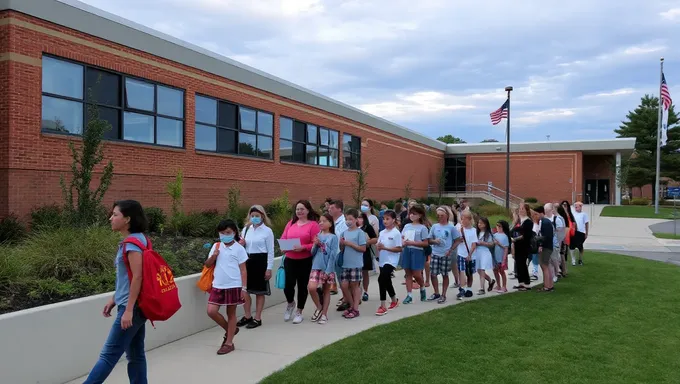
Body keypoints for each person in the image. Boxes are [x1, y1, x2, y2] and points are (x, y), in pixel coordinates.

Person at [84, 200, 149, 382]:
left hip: (131, 308)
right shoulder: (139, 239)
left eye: (115, 214)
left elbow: (138, 277)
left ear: (127, 219)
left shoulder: (132, 244)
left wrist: (128, 310)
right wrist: (114, 298)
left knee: (108, 355)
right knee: (136, 355)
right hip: (134, 304)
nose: (110, 218)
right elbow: (128, 277)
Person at [205, 219, 248, 355]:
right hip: (218, 285)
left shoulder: (239, 249)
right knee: (211, 311)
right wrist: (214, 256)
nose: (225, 235)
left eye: (228, 232)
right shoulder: (216, 246)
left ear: (234, 232)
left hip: (234, 285)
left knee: (231, 313)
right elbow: (207, 264)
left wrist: (243, 288)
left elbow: (243, 270)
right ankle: (231, 329)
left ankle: (229, 343)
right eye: (222, 233)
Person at [280, 200, 320, 324]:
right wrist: (283, 246)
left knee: (302, 287)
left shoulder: (313, 225)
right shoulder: (291, 223)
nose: (299, 211)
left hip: (304, 260)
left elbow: (316, 243)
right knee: (288, 286)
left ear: (308, 210)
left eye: (302, 209)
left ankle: (299, 311)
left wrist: (304, 247)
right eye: (297, 209)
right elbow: (283, 237)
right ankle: (291, 303)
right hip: (290, 259)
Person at [236, 205, 274, 329]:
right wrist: (242, 244)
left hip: (260, 261)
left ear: (262, 216)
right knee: (245, 290)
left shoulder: (267, 231)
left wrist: (269, 268)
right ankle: (247, 316)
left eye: (257, 216)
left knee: (259, 292)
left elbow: (271, 251)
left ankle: (258, 317)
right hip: (247, 261)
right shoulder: (247, 229)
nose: (254, 218)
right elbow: (241, 246)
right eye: (252, 216)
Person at [308, 213, 338, 325]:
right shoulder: (318, 235)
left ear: (330, 223)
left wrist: (328, 270)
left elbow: (333, 255)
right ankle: (319, 307)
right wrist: (316, 244)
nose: (321, 223)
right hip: (316, 265)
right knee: (311, 288)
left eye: (324, 221)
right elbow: (312, 253)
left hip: (327, 268)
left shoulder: (333, 237)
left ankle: (324, 314)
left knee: (326, 290)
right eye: (320, 221)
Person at [427, 206, 462, 303]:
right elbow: (429, 240)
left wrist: (450, 250)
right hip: (435, 253)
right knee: (433, 274)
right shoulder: (434, 226)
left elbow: (458, 240)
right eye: (438, 216)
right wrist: (434, 241)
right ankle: (436, 293)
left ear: (447, 215)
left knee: (444, 274)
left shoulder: (451, 227)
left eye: (442, 215)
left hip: (445, 254)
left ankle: (443, 294)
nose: (440, 218)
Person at [339, 209, 367, 319]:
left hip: (356, 263)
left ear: (356, 219)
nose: (348, 221)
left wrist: (349, 243)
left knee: (354, 286)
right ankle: (351, 305)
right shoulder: (343, 233)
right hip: (345, 263)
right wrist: (342, 244)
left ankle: (355, 308)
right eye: (346, 219)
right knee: (344, 285)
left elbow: (363, 248)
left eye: (350, 219)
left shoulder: (360, 233)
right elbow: (341, 249)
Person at [400, 204, 430, 304]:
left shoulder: (423, 228)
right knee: (408, 273)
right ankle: (409, 295)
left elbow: (425, 243)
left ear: (420, 215)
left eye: (414, 213)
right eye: (411, 213)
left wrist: (413, 242)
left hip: (417, 251)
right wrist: (403, 242)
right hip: (407, 250)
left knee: (417, 274)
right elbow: (402, 237)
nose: (412, 215)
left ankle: (422, 287)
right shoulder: (407, 226)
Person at [375, 210, 402, 316]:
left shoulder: (396, 233)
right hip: (382, 260)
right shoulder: (382, 233)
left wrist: (385, 248)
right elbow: (378, 245)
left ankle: (383, 306)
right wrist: (378, 247)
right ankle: (394, 300)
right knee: (386, 280)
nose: (385, 221)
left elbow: (399, 249)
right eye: (384, 219)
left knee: (381, 279)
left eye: (388, 219)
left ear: (393, 220)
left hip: (391, 261)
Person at [511, 203, 533, 291]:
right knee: (518, 263)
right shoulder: (519, 221)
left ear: (526, 210)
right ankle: (520, 282)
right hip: (517, 245)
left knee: (522, 263)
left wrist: (516, 239)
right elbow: (513, 230)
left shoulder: (528, 222)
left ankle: (526, 282)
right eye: (520, 208)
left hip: (524, 245)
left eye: (523, 209)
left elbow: (526, 235)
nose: (521, 210)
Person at [328, 199, 347, 299]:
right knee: (340, 278)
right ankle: (345, 297)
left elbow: (343, 239)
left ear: (339, 209)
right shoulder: (331, 222)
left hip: (342, 254)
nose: (329, 210)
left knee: (344, 279)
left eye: (332, 208)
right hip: (333, 254)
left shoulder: (343, 223)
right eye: (329, 208)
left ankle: (349, 299)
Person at [456, 210, 477, 300]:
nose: (462, 221)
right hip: (461, 253)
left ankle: (469, 288)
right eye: (461, 219)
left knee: (469, 273)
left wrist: (470, 254)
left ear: (469, 219)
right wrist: (458, 239)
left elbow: (474, 244)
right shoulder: (459, 229)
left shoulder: (473, 230)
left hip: (471, 255)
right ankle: (462, 287)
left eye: (464, 219)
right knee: (462, 270)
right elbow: (456, 240)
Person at [357, 212, 378, 302]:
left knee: (364, 272)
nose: (358, 219)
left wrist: (367, 242)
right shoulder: (351, 228)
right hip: (354, 252)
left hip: (365, 252)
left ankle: (365, 291)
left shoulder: (367, 227)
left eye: (360, 217)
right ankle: (357, 291)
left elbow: (375, 239)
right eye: (357, 217)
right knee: (356, 273)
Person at [473, 217, 495, 295]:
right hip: (477, 252)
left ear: (485, 224)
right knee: (479, 270)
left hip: (484, 252)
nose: (479, 224)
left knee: (482, 269)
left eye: (481, 223)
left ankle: (482, 288)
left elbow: (492, 244)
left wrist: (483, 243)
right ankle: (490, 280)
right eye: (478, 223)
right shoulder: (477, 233)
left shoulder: (488, 234)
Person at [535, 206, 555, 292]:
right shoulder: (543, 221)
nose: (535, 216)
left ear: (541, 213)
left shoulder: (545, 222)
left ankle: (547, 286)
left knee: (544, 266)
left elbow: (547, 236)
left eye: (536, 214)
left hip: (546, 247)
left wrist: (540, 243)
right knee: (546, 266)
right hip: (547, 246)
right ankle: (549, 285)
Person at [493, 220, 511, 293]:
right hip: (495, 256)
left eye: (499, 226)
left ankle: (504, 286)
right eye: (497, 225)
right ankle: (498, 285)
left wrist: (504, 259)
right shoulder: (495, 235)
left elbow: (506, 248)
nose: (497, 227)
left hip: (501, 257)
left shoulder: (505, 236)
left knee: (502, 271)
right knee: (495, 270)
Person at [560, 201, 576, 276]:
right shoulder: (560, 215)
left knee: (563, 252)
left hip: (567, 234)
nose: (564, 206)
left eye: (565, 205)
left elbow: (572, 223)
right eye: (563, 205)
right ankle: (562, 270)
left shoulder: (568, 215)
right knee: (562, 253)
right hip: (564, 235)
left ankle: (564, 270)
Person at [571, 201, 590, 266]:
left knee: (580, 246)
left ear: (580, 207)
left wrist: (586, 233)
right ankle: (573, 259)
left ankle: (580, 259)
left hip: (581, 232)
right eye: (575, 207)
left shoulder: (584, 214)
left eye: (577, 207)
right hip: (574, 232)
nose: (576, 208)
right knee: (572, 246)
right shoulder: (573, 214)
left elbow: (586, 223)